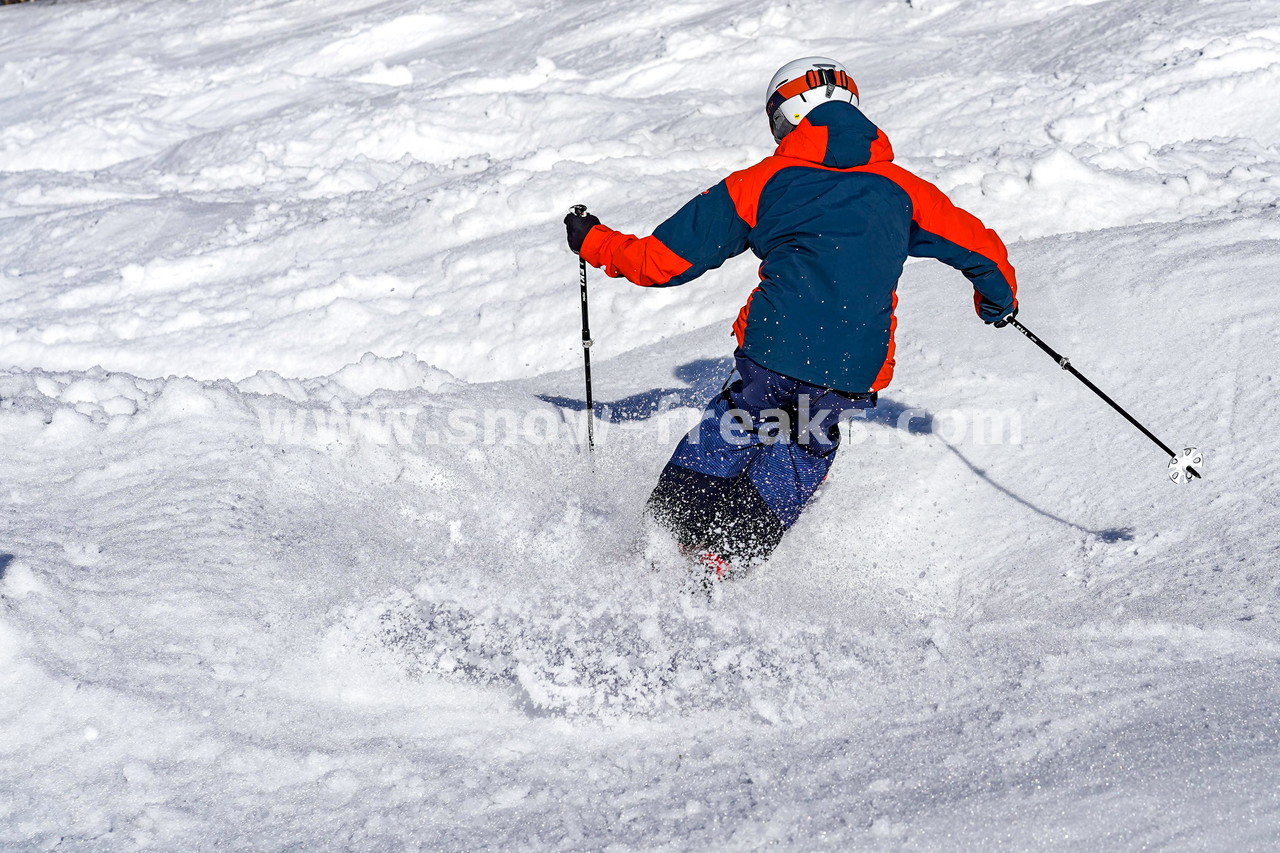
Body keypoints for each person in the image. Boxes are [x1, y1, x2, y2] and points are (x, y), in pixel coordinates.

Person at [564, 57, 1018, 580]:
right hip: (852, 365)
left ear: (791, 113)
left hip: (775, 348)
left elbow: (660, 262)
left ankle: (664, 540)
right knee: (807, 443)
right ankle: (726, 561)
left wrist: (593, 239)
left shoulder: (762, 182)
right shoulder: (906, 190)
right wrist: (997, 302)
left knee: (733, 428)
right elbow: (981, 249)